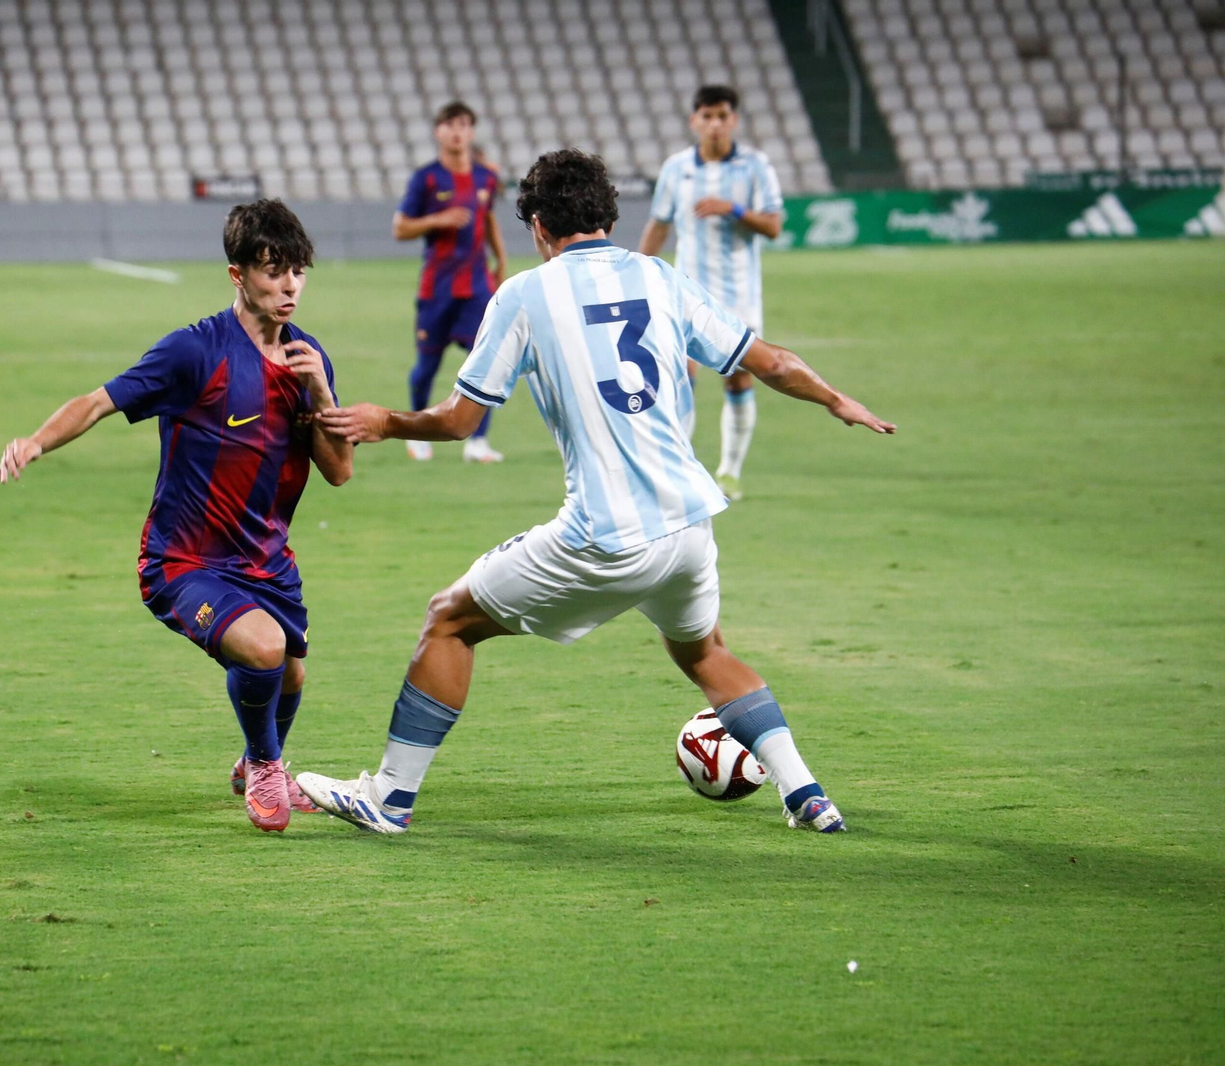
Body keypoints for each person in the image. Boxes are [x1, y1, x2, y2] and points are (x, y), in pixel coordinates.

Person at [298, 150, 893, 835]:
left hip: (608, 537)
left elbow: (460, 420)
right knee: (703, 652)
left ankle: (388, 797)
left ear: (541, 226)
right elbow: (775, 362)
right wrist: (837, 400)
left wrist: (384, 421)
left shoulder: (525, 293)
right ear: (609, 216)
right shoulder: (661, 279)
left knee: (449, 619)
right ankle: (808, 795)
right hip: (690, 528)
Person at [0, 200, 353, 834]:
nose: (290, 286)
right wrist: (35, 442)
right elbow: (99, 401)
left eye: (298, 271)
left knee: (290, 669)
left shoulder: (308, 359)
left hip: (265, 559)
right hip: (183, 561)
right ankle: (269, 768)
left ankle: (251, 760)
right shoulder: (196, 351)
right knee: (266, 648)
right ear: (237, 276)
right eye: (273, 272)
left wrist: (321, 394)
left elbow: (339, 470)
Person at [638, 85, 784, 502]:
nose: (715, 124)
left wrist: (733, 209)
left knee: (738, 381)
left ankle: (729, 472)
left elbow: (774, 225)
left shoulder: (755, 166)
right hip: (687, 294)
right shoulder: (676, 167)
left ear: (734, 120)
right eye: (707, 115)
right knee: (679, 379)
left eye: (723, 115)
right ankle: (679, 474)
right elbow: (660, 223)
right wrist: (632, 271)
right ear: (694, 121)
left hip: (739, 296)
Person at [394, 100, 510, 463]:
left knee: (486, 360)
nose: (457, 131)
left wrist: (501, 258)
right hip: (437, 287)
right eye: (450, 124)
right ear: (438, 132)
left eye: (464, 124)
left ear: (471, 131)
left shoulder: (486, 178)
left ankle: (478, 442)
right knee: (426, 365)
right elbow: (400, 227)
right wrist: (438, 220)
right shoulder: (426, 178)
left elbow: (487, 217)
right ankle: (417, 434)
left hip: (476, 287)